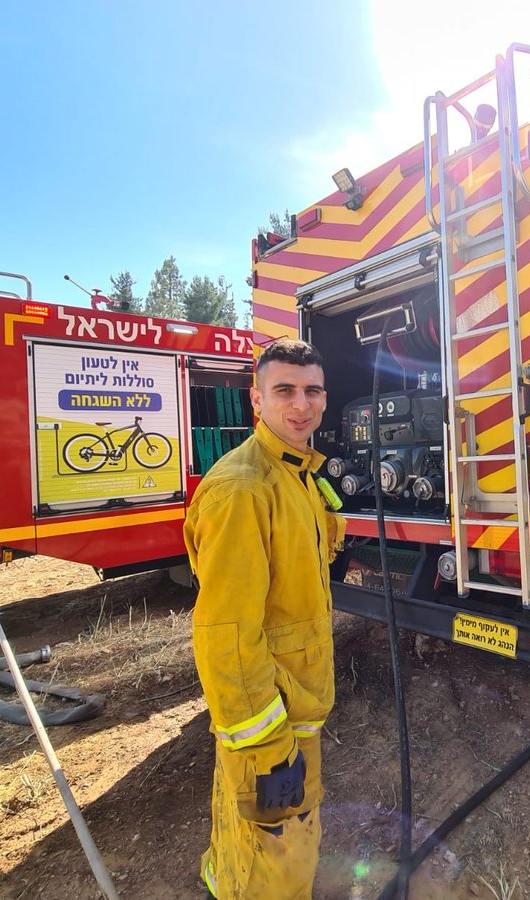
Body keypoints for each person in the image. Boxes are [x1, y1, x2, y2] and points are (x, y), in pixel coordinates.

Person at [184, 338, 345, 899]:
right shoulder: (242, 489)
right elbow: (226, 634)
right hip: (270, 725)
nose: (301, 405)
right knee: (280, 856)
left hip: (293, 706)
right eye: (284, 391)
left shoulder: (297, 475)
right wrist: (267, 750)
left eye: (312, 390)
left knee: (258, 844)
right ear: (256, 399)